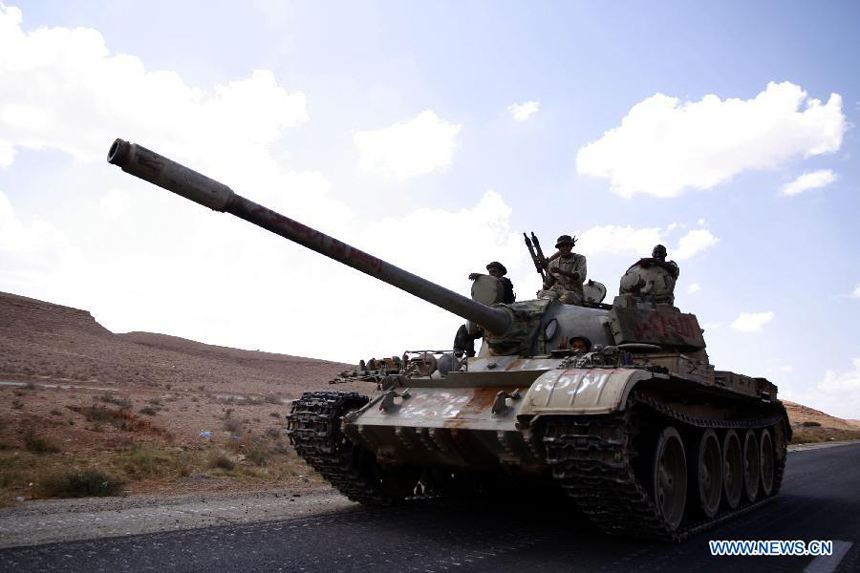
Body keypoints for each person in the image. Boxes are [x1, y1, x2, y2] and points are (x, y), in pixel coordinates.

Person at [455, 261, 515, 357]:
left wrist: (481, 276)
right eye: (490, 272)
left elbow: (498, 282)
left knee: (490, 341)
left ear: (501, 273)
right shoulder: (488, 288)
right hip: (488, 319)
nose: (491, 274)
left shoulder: (505, 282)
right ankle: (465, 357)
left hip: (502, 320)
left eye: (494, 272)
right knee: (465, 330)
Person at [538, 235, 587, 305]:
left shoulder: (580, 259)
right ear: (559, 248)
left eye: (567, 246)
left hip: (573, 292)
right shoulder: (552, 264)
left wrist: (562, 272)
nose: (565, 249)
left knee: (567, 298)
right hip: (556, 290)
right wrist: (543, 290)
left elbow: (580, 276)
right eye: (562, 247)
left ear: (571, 247)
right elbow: (548, 284)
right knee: (543, 298)